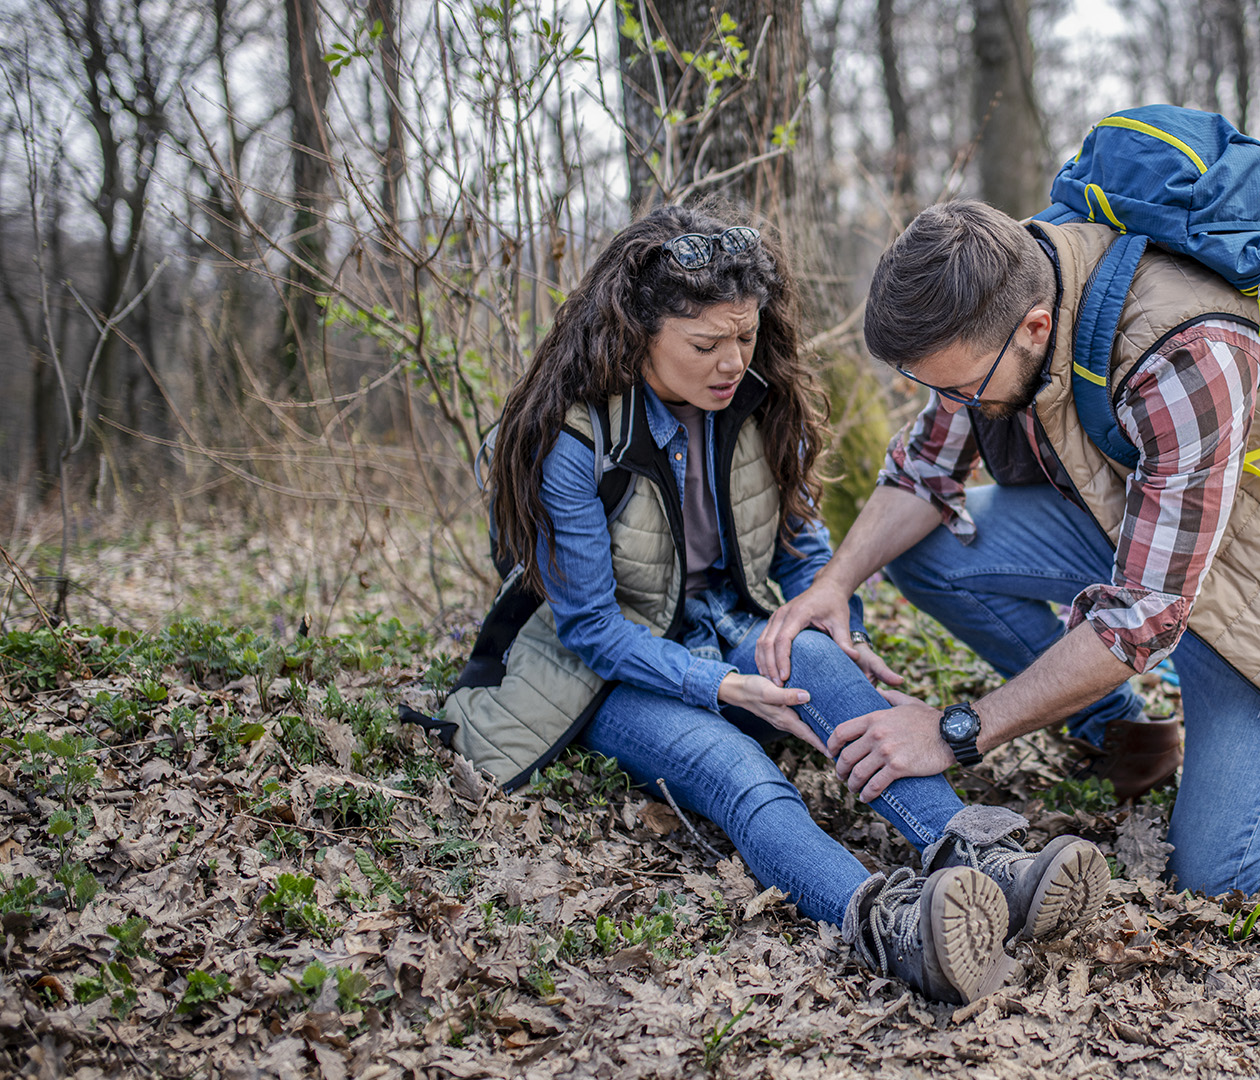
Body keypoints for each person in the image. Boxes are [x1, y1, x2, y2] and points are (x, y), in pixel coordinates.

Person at [758, 200, 1260, 895]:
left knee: (1225, 876)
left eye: (962, 388)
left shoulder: (1185, 348)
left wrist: (957, 731)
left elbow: (1140, 619)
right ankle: (1123, 734)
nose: (951, 406)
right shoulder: (1001, 299)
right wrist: (831, 584)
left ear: (1036, 329)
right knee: (930, 547)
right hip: (1156, 537)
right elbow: (924, 470)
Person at [439, 203, 1108, 1003]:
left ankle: (984, 860)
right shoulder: (571, 441)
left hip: (735, 619)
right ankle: (890, 926)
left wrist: (839, 625)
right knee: (738, 771)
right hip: (614, 675)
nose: (731, 362)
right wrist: (718, 686)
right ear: (636, 332)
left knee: (821, 658)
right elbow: (590, 630)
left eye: (745, 337)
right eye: (705, 345)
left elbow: (801, 548)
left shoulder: (760, 400)